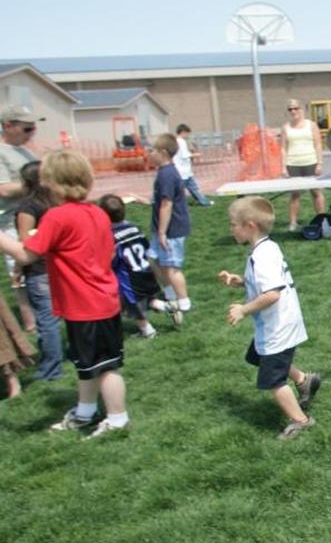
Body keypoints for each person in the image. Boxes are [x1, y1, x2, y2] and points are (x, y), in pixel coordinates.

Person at [0, 150, 130, 437]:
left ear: (50, 182)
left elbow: (26, 254)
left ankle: (118, 419)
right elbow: (107, 252)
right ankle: (85, 413)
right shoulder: (97, 211)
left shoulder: (57, 216)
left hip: (86, 305)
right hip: (101, 299)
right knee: (88, 364)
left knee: (106, 367)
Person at [218, 197, 321, 440]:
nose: (230, 228)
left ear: (250, 226)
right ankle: (304, 380)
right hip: (282, 322)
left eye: (233, 224)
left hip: (278, 326)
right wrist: (240, 281)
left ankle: (301, 421)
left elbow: (273, 293)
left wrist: (243, 310)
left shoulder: (261, 256)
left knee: (272, 380)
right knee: (256, 356)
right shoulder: (267, 247)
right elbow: (267, 283)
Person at [14, 161, 64, 379]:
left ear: (26, 182)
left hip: (40, 269)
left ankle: (51, 369)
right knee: (65, 315)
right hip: (60, 265)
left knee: (47, 320)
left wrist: (18, 267)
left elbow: (26, 241)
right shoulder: (58, 201)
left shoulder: (28, 207)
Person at [0, 106, 41, 334]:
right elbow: (4, 189)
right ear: (8, 126)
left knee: (38, 266)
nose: (32, 132)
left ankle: (45, 313)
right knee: (20, 269)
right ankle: (30, 323)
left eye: (34, 127)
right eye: (27, 128)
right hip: (11, 221)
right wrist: (38, 183)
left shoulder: (24, 151)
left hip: (33, 216)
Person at [97, 194, 162, 339]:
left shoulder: (110, 235)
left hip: (129, 276)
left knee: (133, 305)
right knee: (148, 299)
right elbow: (146, 246)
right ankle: (168, 306)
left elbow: (113, 258)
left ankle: (147, 330)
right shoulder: (133, 227)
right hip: (145, 269)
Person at [147, 134, 192, 320]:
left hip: (171, 230)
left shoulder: (167, 174)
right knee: (152, 259)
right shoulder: (164, 171)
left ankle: (184, 302)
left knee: (171, 267)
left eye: (152, 150)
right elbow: (160, 201)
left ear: (163, 153)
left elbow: (167, 204)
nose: (149, 154)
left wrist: (162, 233)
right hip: (162, 228)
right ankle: (169, 294)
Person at [280, 99, 326, 232]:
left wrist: (319, 163)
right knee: (295, 195)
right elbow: (283, 148)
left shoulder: (311, 125)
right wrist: (283, 167)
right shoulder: (285, 127)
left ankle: (321, 220)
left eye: (296, 108)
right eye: (290, 109)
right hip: (293, 164)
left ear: (301, 109)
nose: (293, 111)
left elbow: (318, 144)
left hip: (311, 162)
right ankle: (293, 223)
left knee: (316, 192)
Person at [174, 124, 212, 206]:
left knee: (193, 188)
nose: (188, 135)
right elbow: (184, 155)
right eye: (187, 133)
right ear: (183, 132)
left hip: (185, 171)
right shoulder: (181, 142)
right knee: (181, 190)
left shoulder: (177, 141)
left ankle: (204, 202)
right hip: (182, 171)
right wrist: (196, 155)